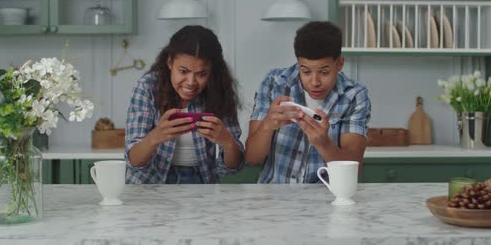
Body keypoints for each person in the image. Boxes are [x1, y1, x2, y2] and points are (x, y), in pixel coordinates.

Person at [246, 21, 371, 183]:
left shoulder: (354, 95)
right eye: (305, 71)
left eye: (324, 72)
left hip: (326, 199)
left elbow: (354, 170)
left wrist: (324, 144)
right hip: (274, 197)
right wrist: (267, 125)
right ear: (298, 63)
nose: (314, 82)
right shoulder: (274, 83)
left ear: (339, 64)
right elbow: (252, 158)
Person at [125, 25, 244, 184]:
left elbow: (232, 167)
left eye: (201, 74)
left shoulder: (218, 90)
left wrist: (227, 141)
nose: (190, 83)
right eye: (183, 71)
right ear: (169, 63)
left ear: (211, 71)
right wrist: (156, 136)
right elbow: (133, 161)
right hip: (150, 185)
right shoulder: (147, 87)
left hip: (201, 185)